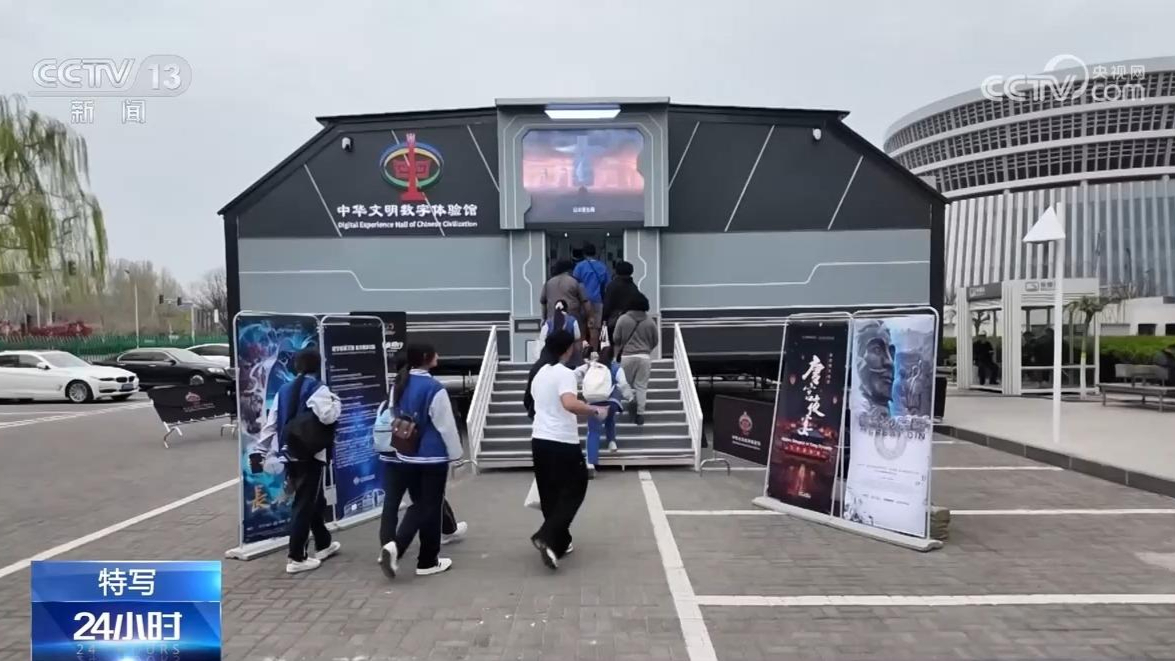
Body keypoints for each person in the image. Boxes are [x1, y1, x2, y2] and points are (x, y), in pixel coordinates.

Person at [378, 343, 463, 579]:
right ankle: (422, 558)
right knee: (430, 507)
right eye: (435, 353)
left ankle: (406, 551)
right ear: (427, 358)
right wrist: (456, 455)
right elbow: (446, 426)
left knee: (422, 505)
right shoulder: (434, 388)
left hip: (407, 454)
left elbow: (394, 415)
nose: (439, 355)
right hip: (433, 457)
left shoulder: (399, 384)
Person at [526, 329, 608, 570]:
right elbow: (569, 403)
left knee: (550, 492)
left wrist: (582, 370)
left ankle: (558, 543)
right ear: (568, 349)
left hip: (539, 439)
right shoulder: (563, 374)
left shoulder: (540, 373)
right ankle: (546, 535)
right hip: (562, 441)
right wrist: (594, 410)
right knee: (576, 487)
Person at [257, 348, 342, 575]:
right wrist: (336, 402)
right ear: (318, 365)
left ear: (296, 366)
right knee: (304, 503)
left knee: (314, 500)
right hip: (311, 454)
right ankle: (296, 557)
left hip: (289, 452)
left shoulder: (283, 390)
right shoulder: (318, 389)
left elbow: (271, 423)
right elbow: (328, 417)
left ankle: (323, 544)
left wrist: (261, 449)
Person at [574, 346, 631, 479]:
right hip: (612, 401)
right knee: (610, 419)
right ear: (612, 356)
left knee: (593, 431)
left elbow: (575, 374)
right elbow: (623, 384)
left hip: (595, 402)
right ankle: (612, 441)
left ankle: (590, 464)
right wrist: (630, 396)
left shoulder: (591, 366)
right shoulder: (616, 367)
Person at [612, 293, 659, 425]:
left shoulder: (623, 319)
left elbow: (616, 338)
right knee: (641, 386)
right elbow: (655, 340)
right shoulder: (650, 321)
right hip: (644, 357)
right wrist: (647, 349)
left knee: (622, 383)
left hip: (627, 356)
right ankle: (640, 414)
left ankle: (628, 401)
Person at [572, 243, 611, 350]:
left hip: (582, 302)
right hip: (597, 302)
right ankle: (594, 352)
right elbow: (607, 285)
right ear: (595, 253)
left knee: (581, 329)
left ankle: (582, 353)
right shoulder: (602, 267)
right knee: (595, 330)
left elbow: (574, 284)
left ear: (584, 254)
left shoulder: (579, 267)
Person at [541, 259, 590, 337]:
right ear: (569, 270)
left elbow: (543, 302)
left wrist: (544, 318)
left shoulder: (548, 283)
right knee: (575, 340)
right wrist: (588, 317)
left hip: (552, 320)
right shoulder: (575, 282)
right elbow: (585, 302)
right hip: (572, 319)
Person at [601, 260, 641, 344]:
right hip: (631, 320)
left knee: (615, 344)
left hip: (615, 320)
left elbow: (607, 304)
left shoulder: (612, 286)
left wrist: (604, 319)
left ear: (617, 271)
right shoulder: (634, 287)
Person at [539, 299, 586, 368]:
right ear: (566, 309)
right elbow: (577, 336)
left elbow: (542, 338)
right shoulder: (572, 320)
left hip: (552, 356)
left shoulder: (548, 322)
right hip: (569, 357)